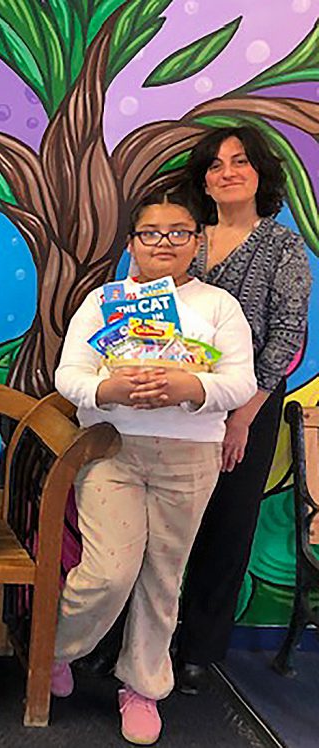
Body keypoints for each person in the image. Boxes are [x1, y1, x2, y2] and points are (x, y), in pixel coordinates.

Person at [51, 187, 257, 744]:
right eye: (150, 233)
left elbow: (242, 380)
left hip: (190, 458)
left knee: (163, 577)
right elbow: (68, 377)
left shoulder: (218, 306)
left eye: (179, 232)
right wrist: (109, 388)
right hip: (112, 449)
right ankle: (53, 650)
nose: (164, 243)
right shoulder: (104, 301)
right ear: (131, 243)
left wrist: (189, 386)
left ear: (197, 241)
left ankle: (142, 685)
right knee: (108, 572)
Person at [175, 126, 312, 694]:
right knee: (161, 524)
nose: (226, 171)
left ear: (260, 172)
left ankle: (199, 651)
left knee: (226, 523)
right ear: (203, 179)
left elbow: (286, 335)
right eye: (214, 164)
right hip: (174, 399)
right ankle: (132, 639)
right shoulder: (184, 238)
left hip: (248, 407)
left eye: (239, 161)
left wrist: (241, 416)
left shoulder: (283, 247)